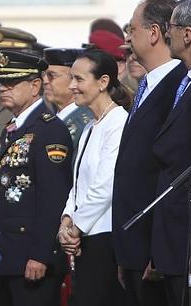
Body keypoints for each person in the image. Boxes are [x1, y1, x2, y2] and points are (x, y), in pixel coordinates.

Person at [113, 1, 186, 305]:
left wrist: (158, 249)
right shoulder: (149, 84)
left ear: (155, 32)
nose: (126, 38)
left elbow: (170, 171)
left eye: (131, 28)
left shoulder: (179, 86)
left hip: (155, 253)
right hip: (134, 250)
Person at [0, 49, 72, 306]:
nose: (4, 88)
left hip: (30, 257)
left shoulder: (49, 129)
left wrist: (40, 255)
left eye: (12, 83)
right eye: (1, 83)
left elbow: (53, 198)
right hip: (8, 254)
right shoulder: (14, 128)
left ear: (35, 85)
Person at [57, 49, 129, 306]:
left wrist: (76, 227)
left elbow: (105, 185)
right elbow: (78, 183)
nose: (72, 86)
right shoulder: (91, 126)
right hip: (85, 237)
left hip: (104, 238)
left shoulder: (119, 123)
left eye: (79, 79)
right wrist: (66, 219)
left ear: (103, 82)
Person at [152, 1, 191, 305]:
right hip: (173, 233)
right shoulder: (184, 81)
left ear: (187, 34)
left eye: (169, 28)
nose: (166, 35)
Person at [42, 48, 93, 158]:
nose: (45, 81)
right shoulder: (51, 117)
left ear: (74, 80)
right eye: (44, 75)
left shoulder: (84, 123)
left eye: (52, 75)